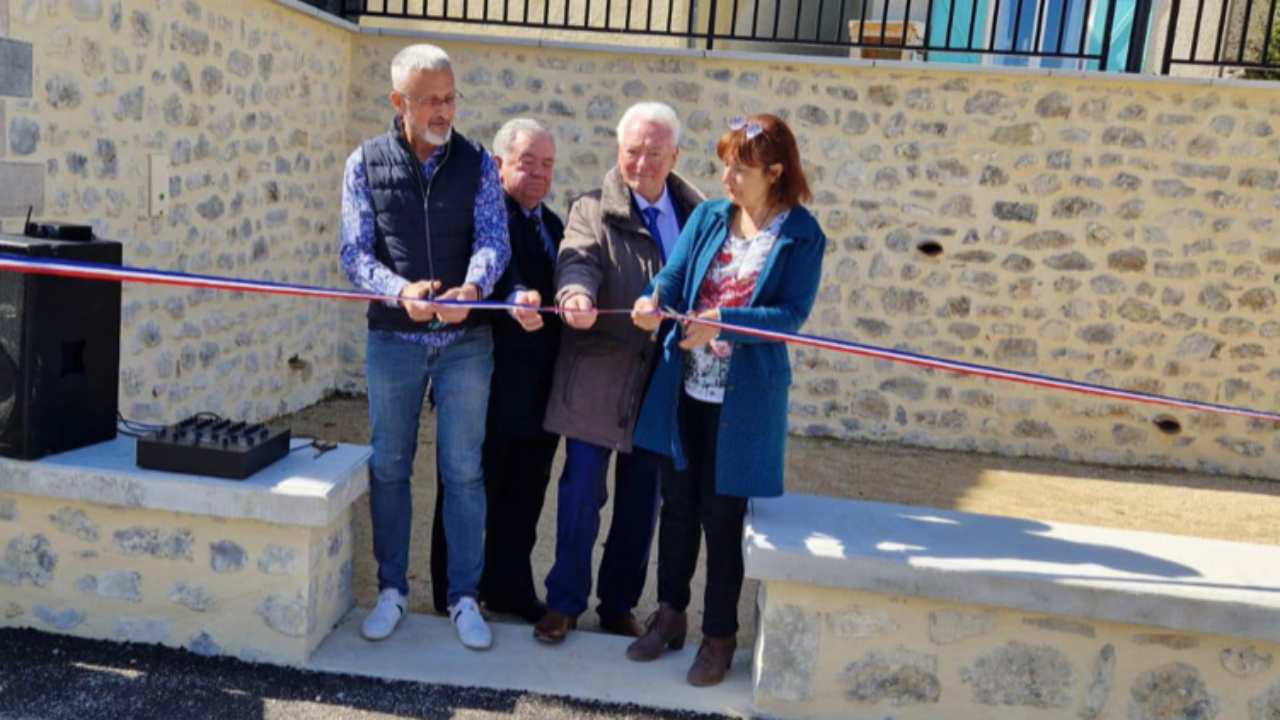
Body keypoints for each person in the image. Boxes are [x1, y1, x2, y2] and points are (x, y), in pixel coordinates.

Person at [628, 113, 825, 686]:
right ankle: (669, 616)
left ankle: (718, 636)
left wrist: (721, 322)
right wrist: (651, 300)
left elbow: (788, 317)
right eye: (724, 165)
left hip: (744, 403)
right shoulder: (711, 216)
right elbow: (671, 276)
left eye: (740, 169)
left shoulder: (801, 235)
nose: (726, 178)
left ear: (776, 172)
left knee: (722, 517)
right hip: (683, 387)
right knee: (678, 507)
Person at [339, 43, 510, 650]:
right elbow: (354, 253)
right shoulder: (363, 163)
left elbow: (494, 239)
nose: (444, 111)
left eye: (450, 97)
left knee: (463, 471)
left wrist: (474, 285)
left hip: (465, 342)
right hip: (394, 341)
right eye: (430, 100)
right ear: (399, 102)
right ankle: (391, 589)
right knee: (389, 466)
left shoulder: (480, 162)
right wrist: (397, 290)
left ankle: (465, 597)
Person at [534, 102, 706, 644]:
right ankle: (563, 602)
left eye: (655, 152)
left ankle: (617, 606)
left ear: (674, 155)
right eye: (632, 150)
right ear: (618, 150)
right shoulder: (590, 207)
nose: (642, 162)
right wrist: (575, 292)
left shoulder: (699, 213)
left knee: (642, 502)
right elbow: (577, 258)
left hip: (663, 383)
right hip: (598, 374)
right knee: (581, 491)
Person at [429, 118, 563, 622]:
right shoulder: (482, 221)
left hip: (536, 396)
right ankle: (450, 591)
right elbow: (489, 278)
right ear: (500, 163)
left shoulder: (552, 226)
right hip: (481, 388)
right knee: (465, 489)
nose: (538, 173)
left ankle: (507, 587)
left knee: (524, 498)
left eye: (547, 164)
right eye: (527, 161)